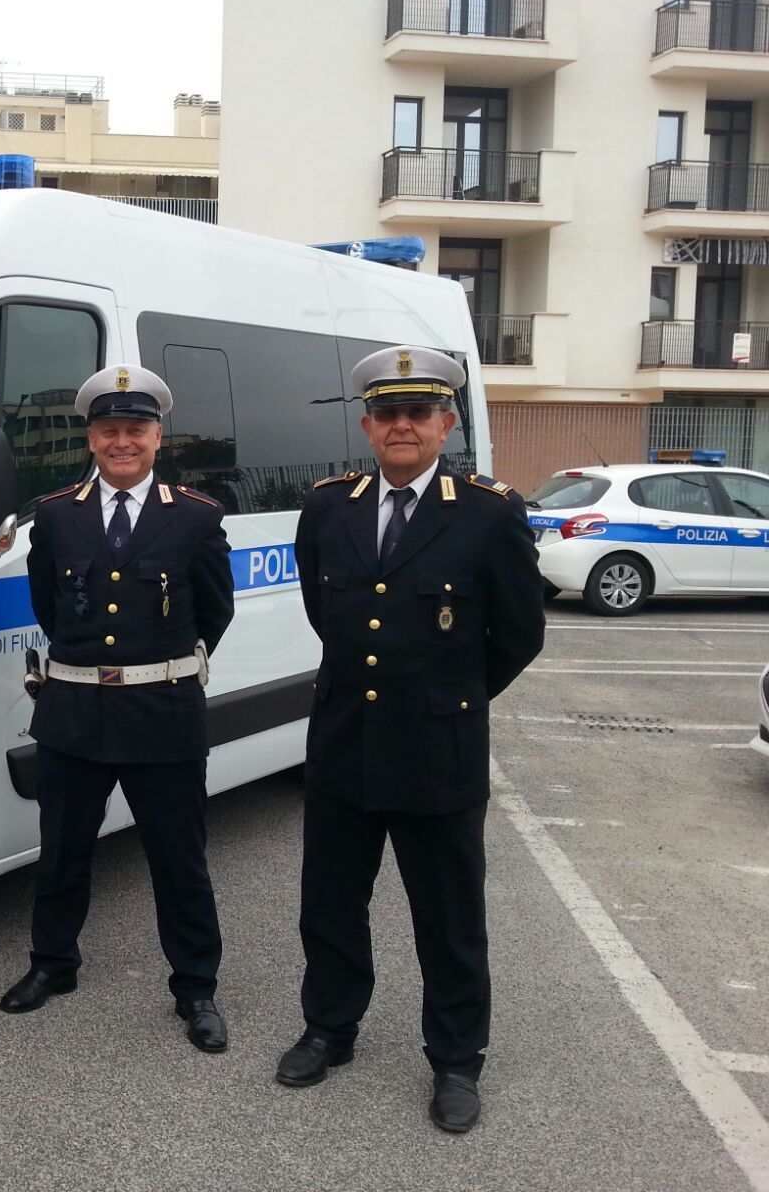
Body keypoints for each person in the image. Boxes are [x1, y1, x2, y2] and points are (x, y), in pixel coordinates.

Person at [277, 344, 545, 1131]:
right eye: (387, 413)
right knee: (329, 904)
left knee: (449, 917)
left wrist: (450, 701)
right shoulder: (330, 506)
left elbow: (520, 635)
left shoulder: (491, 512)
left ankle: (457, 1061)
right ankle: (330, 1027)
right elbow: (325, 613)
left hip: (438, 754)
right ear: (367, 425)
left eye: (418, 413)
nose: (402, 426)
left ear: (447, 422)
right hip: (343, 743)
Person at [0, 364, 236, 1053]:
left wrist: (155, 668)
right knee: (62, 853)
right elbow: (48, 606)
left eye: (134, 429)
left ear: (158, 437)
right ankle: (53, 965)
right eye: (109, 430)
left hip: (163, 713)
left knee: (178, 861)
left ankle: (196, 988)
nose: (121, 442)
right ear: (92, 439)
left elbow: (213, 614)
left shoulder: (194, 516)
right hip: (73, 712)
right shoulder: (57, 515)